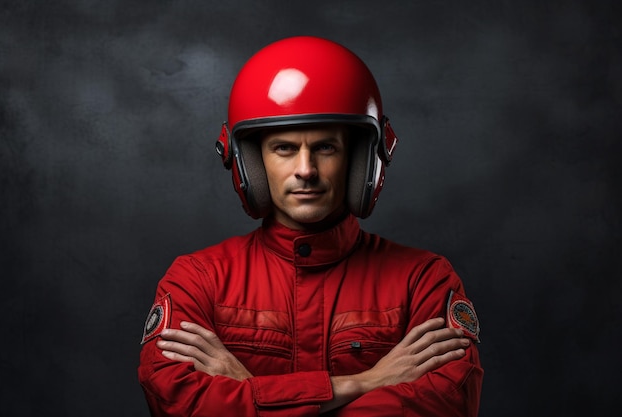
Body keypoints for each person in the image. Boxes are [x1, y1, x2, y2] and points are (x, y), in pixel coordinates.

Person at [138, 36, 483, 417]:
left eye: (325, 148)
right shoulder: (196, 279)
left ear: (361, 161)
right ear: (251, 163)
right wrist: (360, 383)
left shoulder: (425, 281)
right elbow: (179, 404)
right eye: (284, 148)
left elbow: (444, 405)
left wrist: (251, 391)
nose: (306, 170)